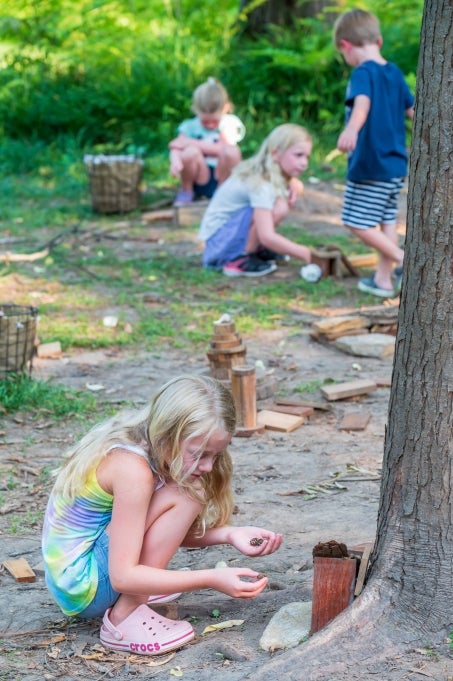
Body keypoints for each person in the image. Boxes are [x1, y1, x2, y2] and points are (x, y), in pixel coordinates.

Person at [42, 375, 282, 657]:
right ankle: (123, 618)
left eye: (216, 455)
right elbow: (123, 576)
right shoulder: (133, 471)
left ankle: (139, 593)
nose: (208, 466)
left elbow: (147, 529)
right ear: (168, 435)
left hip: (77, 579)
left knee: (185, 492)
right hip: (86, 588)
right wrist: (211, 578)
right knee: (186, 494)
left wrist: (229, 534)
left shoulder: (144, 442)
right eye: (199, 454)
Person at [333, 9, 414, 298]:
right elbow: (413, 110)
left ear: (346, 45)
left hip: (370, 164)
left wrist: (351, 131)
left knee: (355, 220)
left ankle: (407, 263)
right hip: (396, 165)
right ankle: (383, 279)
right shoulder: (393, 72)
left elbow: (362, 104)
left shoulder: (362, 72)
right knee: (387, 219)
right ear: (378, 41)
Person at [198, 123, 321, 278]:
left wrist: (293, 182)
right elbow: (267, 235)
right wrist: (306, 253)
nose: (304, 162)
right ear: (276, 154)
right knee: (277, 207)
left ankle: (253, 249)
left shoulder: (268, 173)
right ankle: (240, 259)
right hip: (218, 246)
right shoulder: (261, 183)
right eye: (298, 155)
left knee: (278, 205)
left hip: (222, 238)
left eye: (307, 157)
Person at [169, 78, 245, 206]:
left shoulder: (229, 123)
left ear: (225, 108)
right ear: (195, 110)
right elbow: (176, 146)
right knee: (190, 153)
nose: (210, 125)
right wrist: (175, 160)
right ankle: (187, 190)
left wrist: (190, 142)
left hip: (221, 175)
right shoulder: (189, 127)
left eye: (214, 121)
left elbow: (222, 148)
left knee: (232, 151)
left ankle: (223, 193)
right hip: (200, 176)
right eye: (205, 121)